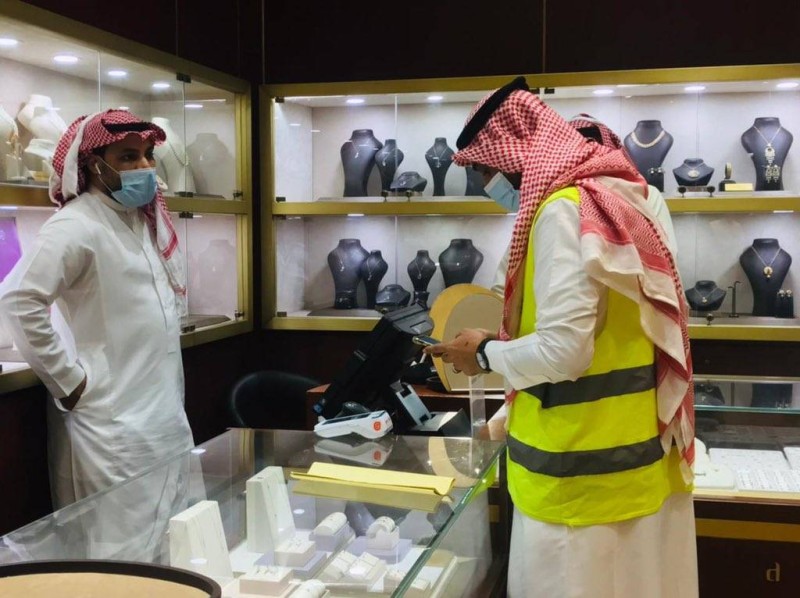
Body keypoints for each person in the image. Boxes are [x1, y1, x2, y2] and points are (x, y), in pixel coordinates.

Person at [425, 78, 698, 598]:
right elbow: (610, 334)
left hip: (578, 486)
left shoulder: (563, 210)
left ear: (514, 155)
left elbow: (565, 350)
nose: (486, 185)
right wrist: (507, 411)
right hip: (638, 467)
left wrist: (483, 353)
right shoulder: (636, 197)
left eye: (484, 171)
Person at [0, 110, 194, 508]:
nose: (145, 167)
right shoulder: (76, 224)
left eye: (147, 155)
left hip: (164, 422)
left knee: (175, 538)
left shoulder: (142, 221)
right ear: (94, 165)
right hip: (110, 430)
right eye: (128, 157)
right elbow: (19, 300)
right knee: (115, 542)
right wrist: (69, 382)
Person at [491, 112, 678, 296]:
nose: (586, 157)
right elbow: (506, 282)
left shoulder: (645, 195)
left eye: (592, 150)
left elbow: (664, 266)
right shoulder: (547, 200)